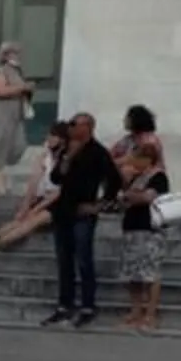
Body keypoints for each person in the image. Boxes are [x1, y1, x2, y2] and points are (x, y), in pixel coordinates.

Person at [44, 110, 121, 327]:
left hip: (83, 212)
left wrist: (101, 204)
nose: (71, 127)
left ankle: (88, 305)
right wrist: (66, 158)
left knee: (84, 259)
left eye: (75, 124)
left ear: (87, 127)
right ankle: (64, 305)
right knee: (64, 260)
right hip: (63, 211)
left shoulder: (98, 152)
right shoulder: (66, 149)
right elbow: (55, 177)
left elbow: (113, 180)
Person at [113, 105, 169, 334]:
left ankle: (150, 314)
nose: (133, 161)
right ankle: (136, 311)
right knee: (132, 272)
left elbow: (147, 198)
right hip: (132, 225)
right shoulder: (128, 145)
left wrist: (127, 196)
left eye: (139, 157)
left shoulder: (156, 175)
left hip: (150, 227)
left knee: (150, 272)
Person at [0, 126, 66, 255]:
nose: (50, 139)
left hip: (59, 202)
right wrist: (26, 205)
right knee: (22, 217)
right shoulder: (44, 157)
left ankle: (1, 242)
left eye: (54, 136)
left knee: (36, 218)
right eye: (49, 135)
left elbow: (59, 192)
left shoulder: (66, 161)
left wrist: (35, 209)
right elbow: (33, 182)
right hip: (43, 198)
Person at [0, 44, 36, 195]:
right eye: (13, 53)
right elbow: (1, 90)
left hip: (16, 113)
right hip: (2, 113)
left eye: (17, 53)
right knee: (0, 143)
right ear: (5, 56)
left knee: (19, 144)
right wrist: (23, 87)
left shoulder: (17, 71)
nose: (17, 56)